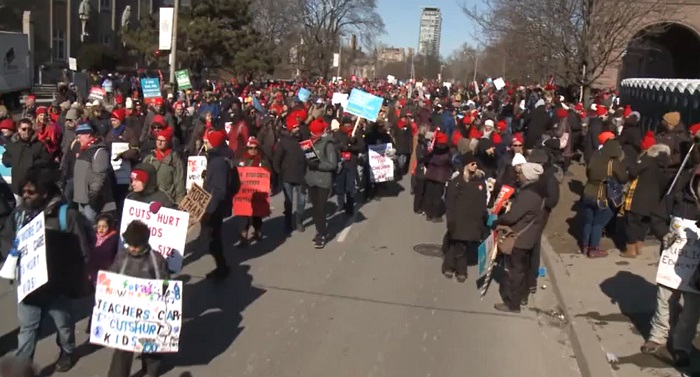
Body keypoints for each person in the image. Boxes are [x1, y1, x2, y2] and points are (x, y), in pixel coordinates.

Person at [2, 166, 92, 372]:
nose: (25, 196)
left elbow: (83, 249)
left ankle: (67, 351)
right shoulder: (19, 215)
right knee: (27, 329)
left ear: (44, 193)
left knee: (63, 325)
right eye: (24, 191)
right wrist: (13, 254)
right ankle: (22, 368)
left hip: (57, 285)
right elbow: (6, 239)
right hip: (29, 283)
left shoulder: (65, 215)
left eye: (31, 192)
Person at [106, 220, 169, 377]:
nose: (132, 248)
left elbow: (166, 282)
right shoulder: (122, 257)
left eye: (136, 245)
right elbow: (112, 276)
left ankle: (150, 371)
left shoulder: (156, 259)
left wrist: (162, 290)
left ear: (145, 243)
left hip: (149, 311)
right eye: (129, 244)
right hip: (126, 312)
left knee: (150, 345)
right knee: (122, 349)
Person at [492, 162, 546, 313]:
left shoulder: (528, 195)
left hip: (519, 239)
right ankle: (522, 296)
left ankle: (512, 303)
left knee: (514, 271)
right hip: (529, 237)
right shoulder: (539, 191)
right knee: (521, 269)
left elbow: (513, 216)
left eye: (521, 173)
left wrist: (498, 221)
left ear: (527, 176)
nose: (519, 176)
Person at [580, 132, 628, 258]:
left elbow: (588, 173)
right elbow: (623, 178)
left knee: (588, 221)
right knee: (598, 223)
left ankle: (585, 246)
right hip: (601, 195)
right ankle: (593, 249)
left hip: (588, 191)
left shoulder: (595, 157)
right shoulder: (613, 163)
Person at [202, 129, 239, 281]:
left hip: (214, 207)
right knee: (213, 238)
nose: (205, 143)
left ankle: (221, 268)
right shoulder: (218, 159)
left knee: (213, 239)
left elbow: (218, 190)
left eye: (207, 141)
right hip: (215, 206)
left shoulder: (218, 163)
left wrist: (209, 210)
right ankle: (221, 266)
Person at [443, 154, 487, 282]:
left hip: (473, 220)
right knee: (458, 243)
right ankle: (458, 269)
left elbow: (483, 199)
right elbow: (450, 200)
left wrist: (482, 216)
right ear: (466, 165)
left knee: (462, 244)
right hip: (458, 218)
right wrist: (450, 218)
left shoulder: (480, 181)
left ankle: (450, 266)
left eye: (476, 164)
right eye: (472, 163)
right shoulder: (457, 181)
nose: (475, 166)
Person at [71, 123, 116, 222]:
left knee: (90, 227)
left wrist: (93, 194)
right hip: (81, 199)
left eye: (79, 136)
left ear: (88, 135)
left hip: (92, 201)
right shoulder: (84, 150)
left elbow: (99, 175)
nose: (78, 140)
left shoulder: (99, 151)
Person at [305, 116, 338, 249]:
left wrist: (317, 166)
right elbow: (308, 160)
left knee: (321, 208)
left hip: (323, 181)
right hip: (311, 180)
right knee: (315, 209)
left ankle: (322, 234)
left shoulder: (328, 144)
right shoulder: (308, 144)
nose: (311, 133)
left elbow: (332, 164)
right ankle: (319, 231)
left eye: (313, 132)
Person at [2, 119, 51, 202]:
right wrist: (14, 161)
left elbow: (47, 160)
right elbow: (5, 159)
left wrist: (33, 163)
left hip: (33, 187)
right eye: (24, 129)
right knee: (19, 210)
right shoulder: (13, 145)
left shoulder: (38, 145)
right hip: (17, 186)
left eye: (29, 129)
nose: (27, 131)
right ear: (19, 130)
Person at [273, 115, 307, 234]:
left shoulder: (304, 142)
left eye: (298, 127)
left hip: (301, 176)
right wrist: (279, 172)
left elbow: (312, 159)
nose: (297, 129)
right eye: (295, 127)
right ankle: (287, 223)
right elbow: (276, 160)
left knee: (301, 201)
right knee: (288, 201)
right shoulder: (283, 142)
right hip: (287, 176)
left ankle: (299, 222)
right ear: (290, 129)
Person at [237, 137, 269, 246]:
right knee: (243, 214)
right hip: (244, 192)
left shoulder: (262, 161)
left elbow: (268, 174)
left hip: (257, 192)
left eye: (255, 148)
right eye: (250, 148)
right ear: (247, 148)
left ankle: (258, 231)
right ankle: (244, 235)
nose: (253, 150)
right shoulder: (242, 160)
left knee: (257, 213)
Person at [143, 127, 186, 205]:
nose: (159, 143)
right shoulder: (149, 159)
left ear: (168, 142)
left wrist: (180, 201)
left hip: (167, 200)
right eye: (158, 140)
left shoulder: (175, 160)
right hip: (149, 199)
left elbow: (179, 182)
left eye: (163, 141)